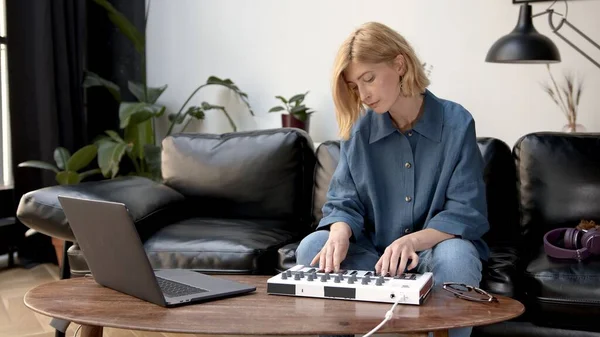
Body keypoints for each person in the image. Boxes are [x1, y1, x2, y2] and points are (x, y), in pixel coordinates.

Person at [295, 22, 489, 337]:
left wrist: (411, 241)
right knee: (313, 247)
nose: (364, 94)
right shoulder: (360, 129)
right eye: (355, 86)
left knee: (458, 255)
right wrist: (339, 234)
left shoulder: (456, 122)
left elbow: (466, 210)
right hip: (374, 258)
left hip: (432, 253)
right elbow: (344, 200)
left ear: (399, 65)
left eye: (369, 78)